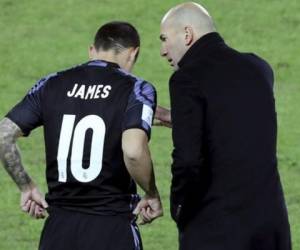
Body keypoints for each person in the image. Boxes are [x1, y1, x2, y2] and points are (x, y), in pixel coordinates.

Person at [0, 21, 163, 250]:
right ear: (133, 52)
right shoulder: (136, 89)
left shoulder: (51, 84)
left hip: (58, 231)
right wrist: (152, 192)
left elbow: (3, 135)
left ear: (92, 50)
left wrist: (27, 187)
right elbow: (134, 151)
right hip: (111, 230)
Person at [156, 2, 291, 250]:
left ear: (187, 35)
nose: (163, 51)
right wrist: (183, 119)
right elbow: (239, 120)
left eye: (164, 39)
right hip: (271, 228)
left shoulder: (186, 78)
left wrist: (179, 206)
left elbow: (188, 160)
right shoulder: (259, 68)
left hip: (217, 230)